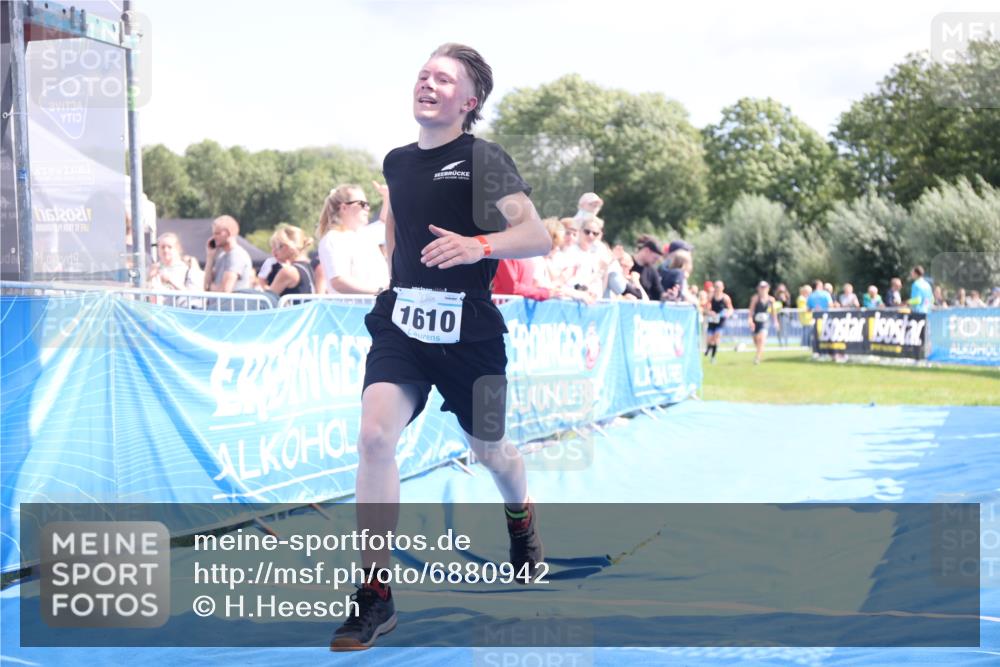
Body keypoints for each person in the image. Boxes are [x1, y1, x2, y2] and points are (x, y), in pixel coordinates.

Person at [330, 43, 551, 651]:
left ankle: (521, 514)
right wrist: (398, 274)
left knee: (491, 451)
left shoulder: (483, 158)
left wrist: (477, 248)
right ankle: (375, 594)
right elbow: (398, 226)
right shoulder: (397, 162)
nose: (427, 83)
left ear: (469, 100)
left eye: (444, 78)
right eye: (423, 74)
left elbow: (538, 236)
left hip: (470, 333)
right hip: (402, 321)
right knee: (375, 436)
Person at [317, 185, 390, 294]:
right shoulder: (333, 238)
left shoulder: (365, 234)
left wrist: (387, 197)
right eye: (362, 204)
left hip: (371, 307)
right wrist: (379, 291)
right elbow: (338, 282)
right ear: (344, 208)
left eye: (367, 204)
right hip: (351, 309)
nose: (367, 208)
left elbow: (385, 223)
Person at [261, 224, 315, 301]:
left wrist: (263, 285)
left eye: (278, 247)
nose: (273, 252)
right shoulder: (310, 267)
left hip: (295, 313)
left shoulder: (289, 272)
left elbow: (267, 301)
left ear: (290, 246)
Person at [203, 215, 253, 293]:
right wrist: (210, 257)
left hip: (231, 304)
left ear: (228, 233)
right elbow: (206, 285)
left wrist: (210, 287)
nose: (214, 237)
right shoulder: (221, 256)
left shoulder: (237, 255)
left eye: (217, 233)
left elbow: (225, 290)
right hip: (217, 304)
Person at [748, 280, 779, 365]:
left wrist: (775, 321)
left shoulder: (771, 299)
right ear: (758, 288)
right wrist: (750, 320)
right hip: (755, 322)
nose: (763, 289)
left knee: (761, 339)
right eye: (761, 287)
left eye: (765, 287)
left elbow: (774, 312)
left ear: (768, 288)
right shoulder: (755, 298)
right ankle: (759, 352)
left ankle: (757, 358)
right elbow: (751, 311)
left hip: (765, 322)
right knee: (756, 340)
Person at [704, 280, 734, 362]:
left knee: (716, 337)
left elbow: (731, 309)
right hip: (712, 320)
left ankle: (713, 357)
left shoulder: (725, 298)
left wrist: (727, 314)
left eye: (719, 287)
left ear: (723, 288)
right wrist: (710, 312)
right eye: (716, 287)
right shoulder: (711, 297)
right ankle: (708, 348)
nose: (717, 288)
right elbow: (705, 309)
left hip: (721, 320)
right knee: (710, 339)